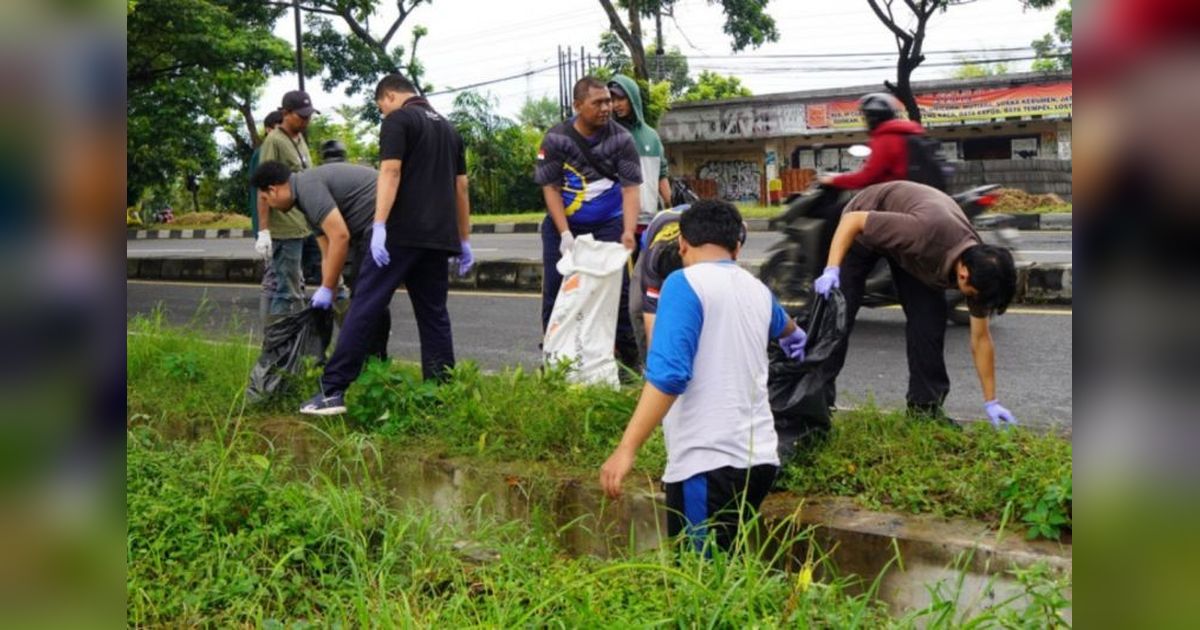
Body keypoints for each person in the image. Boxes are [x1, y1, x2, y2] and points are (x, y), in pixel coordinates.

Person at [600, 200, 809, 554]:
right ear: (737, 247)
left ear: (682, 243)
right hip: (759, 461)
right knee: (730, 564)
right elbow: (792, 334)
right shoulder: (757, 289)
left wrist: (626, 449)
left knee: (700, 576)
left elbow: (669, 376)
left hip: (708, 463)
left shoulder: (683, 284)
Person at [298, 74, 473, 416]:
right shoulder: (449, 129)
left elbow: (390, 173)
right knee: (434, 316)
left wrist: (378, 225)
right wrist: (464, 239)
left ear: (389, 96)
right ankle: (441, 395)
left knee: (366, 305)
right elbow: (461, 188)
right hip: (439, 237)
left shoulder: (398, 120)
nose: (383, 113)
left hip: (400, 233)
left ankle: (332, 390)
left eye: (381, 107)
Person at [812, 180, 1019, 426]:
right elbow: (852, 221)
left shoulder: (980, 270)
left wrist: (991, 401)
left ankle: (925, 410)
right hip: (863, 226)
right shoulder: (925, 233)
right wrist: (832, 269)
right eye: (973, 296)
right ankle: (813, 408)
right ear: (963, 275)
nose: (975, 302)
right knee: (838, 317)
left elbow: (981, 338)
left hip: (911, 246)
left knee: (929, 321)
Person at [535, 76, 642, 369]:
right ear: (578, 105)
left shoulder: (622, 139)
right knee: (556, 290)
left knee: (618, 291)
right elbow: (551, 188)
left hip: (609, 225)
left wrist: (628, 231)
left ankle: (629, 361)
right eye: (598, 103)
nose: (607, 107)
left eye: (608, 101)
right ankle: (553, 359)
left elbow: (631, 189)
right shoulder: (556, 139)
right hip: (564, 226)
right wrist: (564, 233)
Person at [255, 91, 317, 317]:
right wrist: (263, 230)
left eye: (309, 116)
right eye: (301, 116)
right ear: (286, 113)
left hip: (305, 224)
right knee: (287, 291)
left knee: (301, 286)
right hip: (285, 228)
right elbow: (263, 187)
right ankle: (276, 337)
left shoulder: (300, 140)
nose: (306, 120)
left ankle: (297, 333)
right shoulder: (274, 142)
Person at [817, 92, 928, 190]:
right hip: (916, 192)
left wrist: (832, 180)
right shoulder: (907, 133)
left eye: (865, 117)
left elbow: (867, 178)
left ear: (872, 118)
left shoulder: (886, 138)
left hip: (897, 196)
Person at [608, 75, 671, 217]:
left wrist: (671, 209)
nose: (616, 105)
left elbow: (661, 175)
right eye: (612, 100)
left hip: (648, 217)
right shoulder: (607, 135)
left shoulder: (651, 136)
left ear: (633, 98)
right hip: (617, 219)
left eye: (621, 99)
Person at [248, 109, 284, 323]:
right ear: (269, 129)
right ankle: (270, 332)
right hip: (272, 227)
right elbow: (263, 194)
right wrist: (264, 230)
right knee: (273, 279)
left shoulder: (274, 150)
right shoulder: (264, 153)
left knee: (284, 279)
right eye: (279, 128)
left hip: (280, 226)